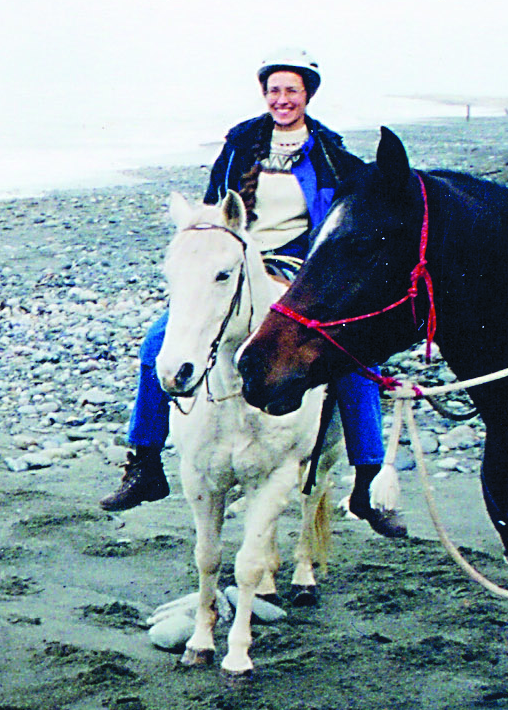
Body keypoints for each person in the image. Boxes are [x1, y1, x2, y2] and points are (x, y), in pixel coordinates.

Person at [103, 49, 406, 538]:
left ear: (307, 94)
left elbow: (352, 206)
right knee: (158, 340)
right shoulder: (241, 143)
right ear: (264, 95)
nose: (282, 99)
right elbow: (212, 205)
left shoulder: (330, 152)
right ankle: (145, 462)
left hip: (301, 266)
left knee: (352, 358)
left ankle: (367, 483)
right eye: (274, 91)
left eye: (291, 90)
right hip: (232, 260)